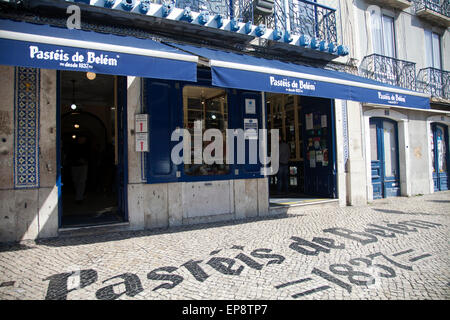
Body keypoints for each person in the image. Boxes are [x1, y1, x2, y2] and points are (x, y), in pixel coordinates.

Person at [69, 135, 89, 204]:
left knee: (82, 181)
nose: (83, 140)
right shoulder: (73, 147)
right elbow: (70, 156)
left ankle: (79, 197)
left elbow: (89, 156)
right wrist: (77, 160)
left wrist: (85, 161)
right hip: (75, 166)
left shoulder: (86, 147)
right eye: (82, 138)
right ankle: (78, 195)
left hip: (83, 166)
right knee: (76, 181)